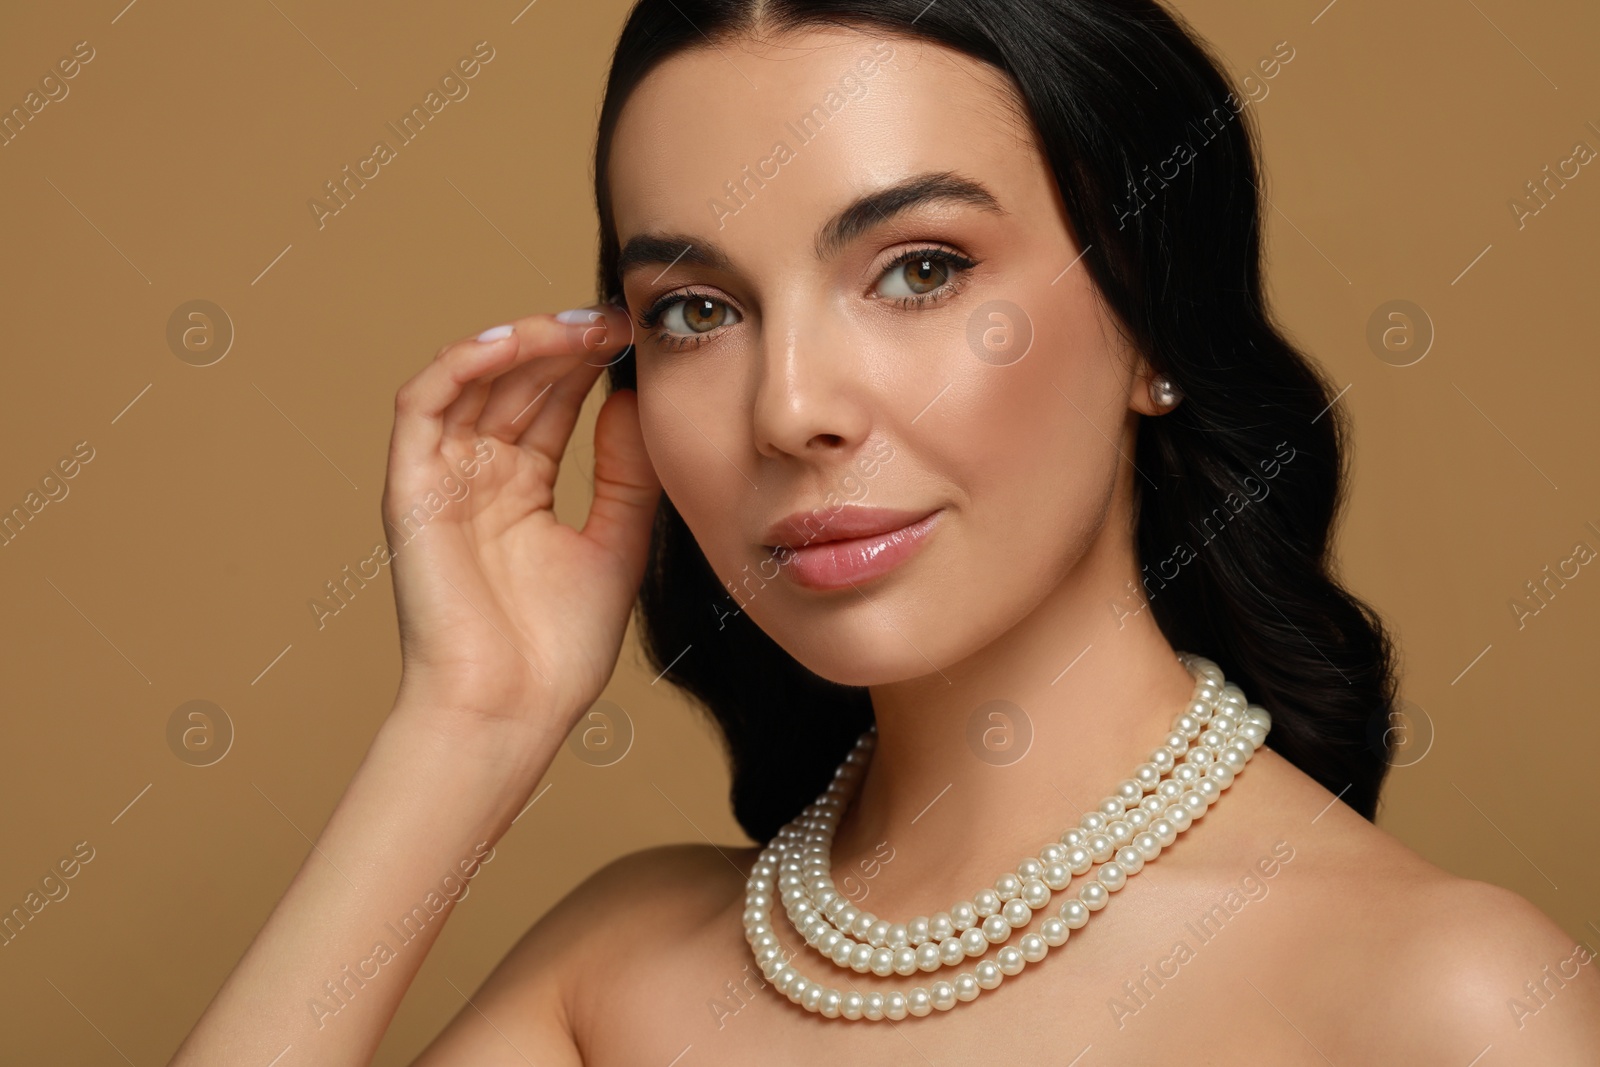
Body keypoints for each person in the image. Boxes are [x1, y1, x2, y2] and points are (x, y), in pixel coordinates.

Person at [171, 0, 1600, 1063]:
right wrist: (467, 723)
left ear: (1153, 318)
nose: (789, 408)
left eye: (918, 270)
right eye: (696, 310)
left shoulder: (1446, 1004)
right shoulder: (624, 973)